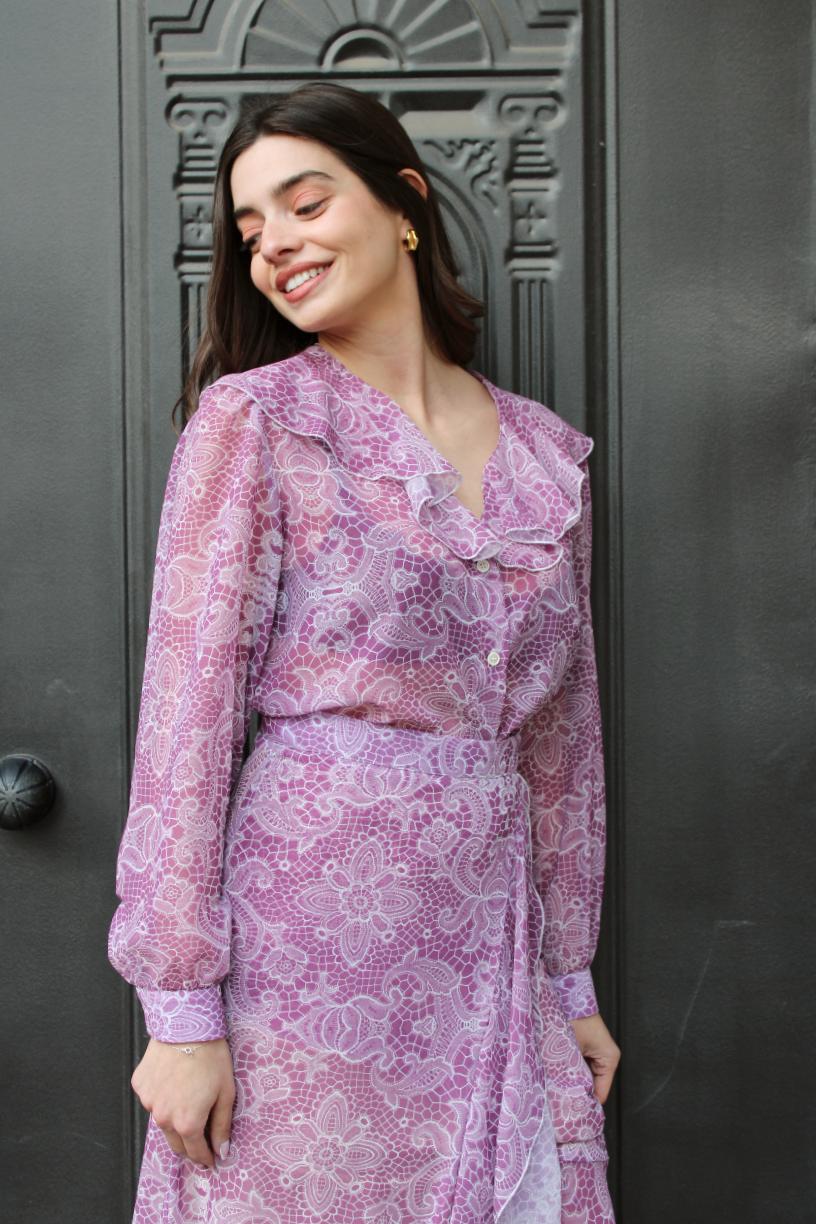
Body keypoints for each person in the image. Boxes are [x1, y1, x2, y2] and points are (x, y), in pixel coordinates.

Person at [108, 80, 620, 1223]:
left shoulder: (546, 457)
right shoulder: (257, 422)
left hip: (492, 936)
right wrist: (181, 1014)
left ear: (404, 205)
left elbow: (561, 747)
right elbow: (186, 718)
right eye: (251, 231)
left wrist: (568, 982)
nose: (275, 246)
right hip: (306, 949)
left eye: (305, 204)